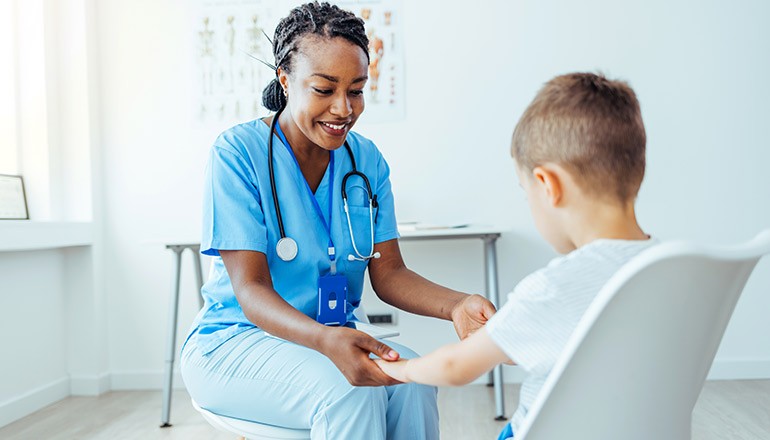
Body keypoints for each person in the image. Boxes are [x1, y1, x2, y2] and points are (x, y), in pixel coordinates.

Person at [180, 2, 495, 439]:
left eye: (357, 90)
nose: (343, 108)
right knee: (352, 390)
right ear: (285, 80)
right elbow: (250, 291)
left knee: (414, 382)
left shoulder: (366, 161)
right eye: (324, 89)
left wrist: (457, 305)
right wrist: (326, 342)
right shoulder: (238, 154)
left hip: (333, 336)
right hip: (236, 341)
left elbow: (390, 275)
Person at [375, 72, 655, 439]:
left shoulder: (557, 287)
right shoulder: (673, 269)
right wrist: (505, 335)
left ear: (547, 186)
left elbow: (456, 367)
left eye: (526, 192)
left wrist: (399, 370)